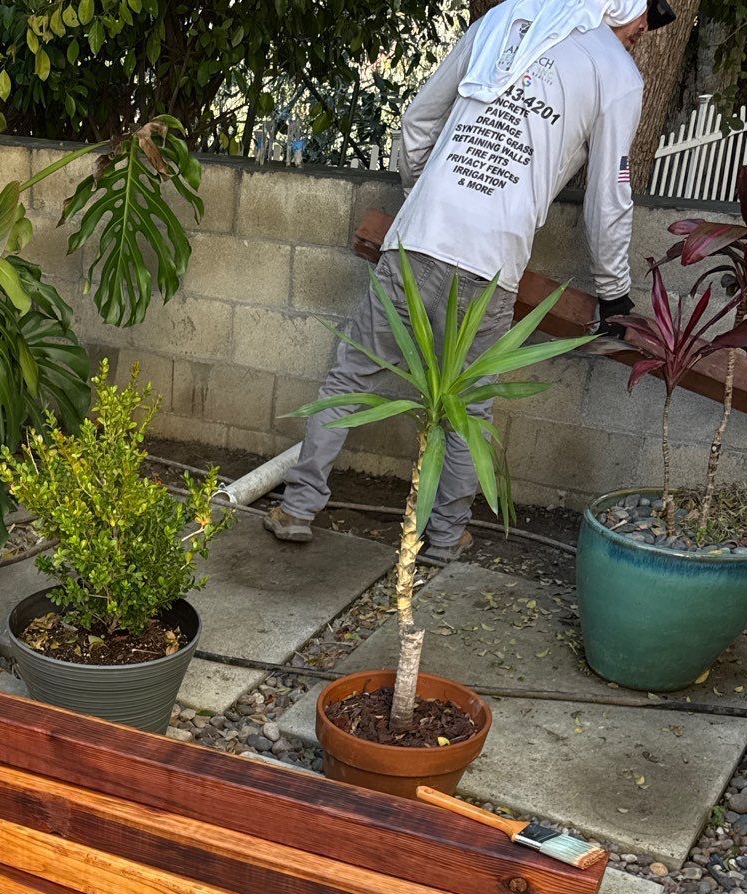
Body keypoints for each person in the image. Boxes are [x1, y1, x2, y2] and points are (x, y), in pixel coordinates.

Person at [267, 0, 675, 563]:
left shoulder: (506, 16)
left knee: (351, 376)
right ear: (621, 7)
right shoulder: (617, 75)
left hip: (419, 239)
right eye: (640, 26)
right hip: (493, 257)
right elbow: (609, 199)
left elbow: (417, 124)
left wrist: (422, 200)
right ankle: (443, 538)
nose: (638, 36)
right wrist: (614, 293)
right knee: (467, 403)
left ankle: (299, 507)